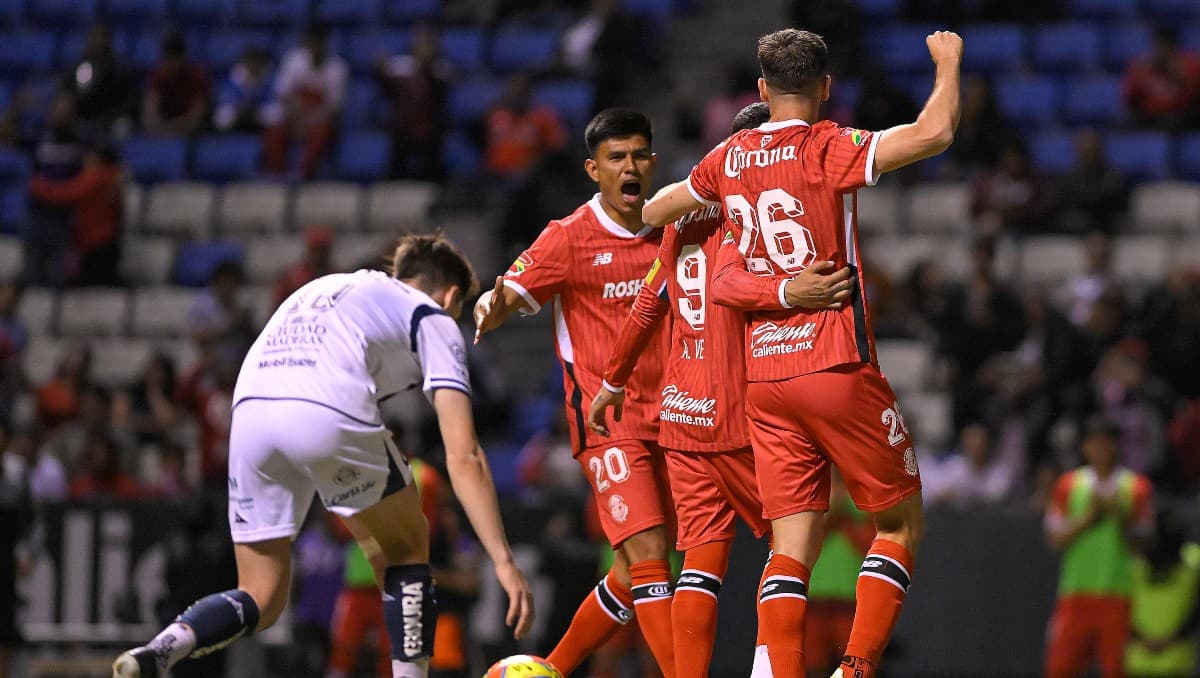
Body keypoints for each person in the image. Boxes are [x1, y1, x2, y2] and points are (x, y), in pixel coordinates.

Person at [640, 28, 963, 678]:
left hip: (767, 382)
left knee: (791, 549)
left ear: (761, 89)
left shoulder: (728, 157)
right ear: (825, 89)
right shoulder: (827, 145)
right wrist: (949, 63)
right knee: (899, 524)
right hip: (834, 364)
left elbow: (655, 208)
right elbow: (934, 133)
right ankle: (855, 668)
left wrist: (716, 202)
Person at [113, 235, 535, 678]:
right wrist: (503, 562)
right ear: (450, 295)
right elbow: (463, 454)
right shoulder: (431, 314)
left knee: (261, 594)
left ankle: (163, 648)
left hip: (250, 411)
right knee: (408, 546)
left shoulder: (326, 289)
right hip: (325, 410)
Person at [587, 101, 851, 678]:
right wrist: (792, 292)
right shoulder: (743, 219)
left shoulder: (679, 222)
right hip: (738, 411)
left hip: (681, 414)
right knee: (795, 538)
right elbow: (733, 285)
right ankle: (769, 664)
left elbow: (647, 304)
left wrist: (612, 381)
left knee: (702, 562)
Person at [473, 108, 675, 677]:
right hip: (609, 424)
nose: (629, 166)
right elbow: (509, 289)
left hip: (681, 418)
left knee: (635, 571)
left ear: (652, 162)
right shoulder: (569, 237)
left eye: (639, 154)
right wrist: (493, 307)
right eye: (616, 157)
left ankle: (552, 667)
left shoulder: (674, 224)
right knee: (652, 562)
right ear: (594, 169)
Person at [1044, 417, 1153, 678]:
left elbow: (1144, 545)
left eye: (1107, 443)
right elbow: (1054, 539)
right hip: (1075, 593)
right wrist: (1089, 517)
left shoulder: (1136, 488)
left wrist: (1120, 516)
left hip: (1119, 593)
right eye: (1096, 443)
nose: (1101, 450)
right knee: (1061, 669)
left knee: (1116, 669)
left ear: (1116, 446)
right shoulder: (1068, 485)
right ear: (1085, 447)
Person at [28, 144, 123, 286]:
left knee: (94, 289)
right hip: (96, 240)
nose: (84, 161)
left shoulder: (99, 176)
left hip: (98, 242)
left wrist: (37, 185)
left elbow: (66, 194)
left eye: (89, 157)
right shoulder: (110, 177)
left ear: (98, 159)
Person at [264, 24, 348, 179]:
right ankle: (278, 173)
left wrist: (310, 119)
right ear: (306, 43)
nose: (315, 48)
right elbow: (283, 95)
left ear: (326, 43)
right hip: (294, 114)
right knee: (275, 128)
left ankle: (305, 174)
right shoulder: (293, 60)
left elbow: (334, 108)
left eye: (319, 43)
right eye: (312, 43)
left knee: (323, 131)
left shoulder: (338, 67)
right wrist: (297, 117)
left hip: (318, 118)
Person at [376, 25, 452, 181]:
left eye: (426, 42)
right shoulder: (400, 66)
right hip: (403, 127)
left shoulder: (441, 69)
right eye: (419, 41)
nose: (422, 46)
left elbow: (441, 93)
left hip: (430, 129)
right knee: (397, 161)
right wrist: (380, 70)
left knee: (432, 162)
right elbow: (386, 90)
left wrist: (426, 67)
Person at [1122, 25, 1200, 131]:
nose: (1161, 51)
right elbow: (1129, 100)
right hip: (1149, 117)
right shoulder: (1141, 67)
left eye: (1165, 46)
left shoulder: (1191, 65)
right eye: (1157, 45)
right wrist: (1139, 78)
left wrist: (1177, 76)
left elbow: (1193, 98)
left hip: (1181, 117)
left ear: (1174, 47)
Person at [142, 32, 211, 137]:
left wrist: (169, 130)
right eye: (167, 59)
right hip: (163, 129)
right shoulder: (159, 75)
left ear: (182, 58)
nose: (170, 64)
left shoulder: (197, 77)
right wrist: (157, 128)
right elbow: (150, 113)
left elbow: (196, 117)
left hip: (190, 133)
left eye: (174, 59)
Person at [213, 47, 275, 134]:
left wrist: (256, 106)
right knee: (223, 117)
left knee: (275, 114)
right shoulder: (236, 75)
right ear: (245, 62)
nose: (253, 65)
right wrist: (239, 106)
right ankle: (224, 141)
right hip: (238, 110)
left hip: (259, 110)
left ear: (261, 63)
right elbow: (226, 98)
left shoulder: (268, 76)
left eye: (256, 62)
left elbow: (272, 97)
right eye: (251, 61)